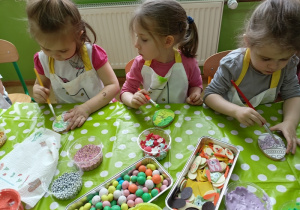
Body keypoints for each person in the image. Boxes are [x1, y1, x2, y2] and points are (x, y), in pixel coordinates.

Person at [204, 0, 300, 154]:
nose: (274, 66)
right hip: (228, 121)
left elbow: (294, 95)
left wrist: (289, 122)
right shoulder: (233, 64)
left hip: (260, 127)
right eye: (266, 59)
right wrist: (235, 111)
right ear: (248, 42)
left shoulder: (289, 65)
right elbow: (209, 95)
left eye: (283, 59)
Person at [26, 0, 120, 130]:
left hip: (99, 110)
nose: (55, 56)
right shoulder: (42, 59)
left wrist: (86, 108)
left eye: (63, 50)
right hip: (68, 117)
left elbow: (113, 86)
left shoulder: (92, 53)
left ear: (78, 36)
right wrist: (38, 92)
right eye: (46, 48)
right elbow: (40, 84)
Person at [120, 0, 203, 109]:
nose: (136, 44)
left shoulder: (188, 63)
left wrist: (194, 94)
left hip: (180, 118)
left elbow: (196, 85)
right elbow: (126, 91)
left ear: (167, 41)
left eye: (144, 39)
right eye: (137, 37)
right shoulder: (140, 63)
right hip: (152, 118)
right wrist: (132, 100)